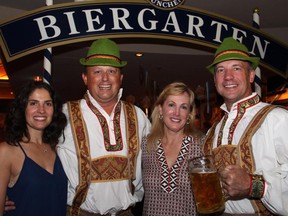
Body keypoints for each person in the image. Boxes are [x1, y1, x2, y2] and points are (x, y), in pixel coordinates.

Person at [56, 38, 151, 216]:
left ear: (120, 78)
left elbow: (157, 155)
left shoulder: (138, 116)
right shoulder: (64, 114)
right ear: (85, 78)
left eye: (111, 71)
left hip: (126, 213)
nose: (105, 78)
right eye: (97, 71)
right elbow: (37, 152)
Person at [203, 37, 288, 215]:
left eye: (236, 68)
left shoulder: (277, 119)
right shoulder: (212, 132)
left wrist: (253, 185)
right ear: (215, 79)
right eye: (221, 70)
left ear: (251, 75)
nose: (228, 77)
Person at [0, 81, 68, 216]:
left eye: (47, 104)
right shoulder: (7, 151)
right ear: (22, 108)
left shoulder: (59, 148)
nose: (41, 110)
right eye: (33, 103)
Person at [142, 82, 204, 216]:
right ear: (160, 109)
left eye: (183, 107)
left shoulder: (202, 145)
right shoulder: (146, 145)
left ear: (189, 114)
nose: (177, 113)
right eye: (171, 105)